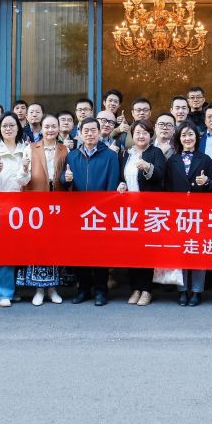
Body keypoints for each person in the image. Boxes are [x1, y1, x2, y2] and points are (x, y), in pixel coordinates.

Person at [61, 117, 121, 306]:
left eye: (93, 130)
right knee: (80, 252)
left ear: (99, 132)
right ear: (79, 133)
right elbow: (65, 181)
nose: (89, 134)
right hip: (78, 212)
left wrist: (108, 209)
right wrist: (65, 178)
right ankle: (83, 289)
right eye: (85, 130)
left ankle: (101, 290)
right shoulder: (72, 156)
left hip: (101, 212)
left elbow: (113, 183)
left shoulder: (110, 155)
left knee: (101, 252)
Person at [0, 113, 32, 307]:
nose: (8, 129)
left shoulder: (25, 149)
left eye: (12, 125)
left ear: (18, 128)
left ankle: (12, 289)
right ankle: (3, 292)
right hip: (0, 205)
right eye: (4, 126)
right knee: (5, 249)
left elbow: (24, 181)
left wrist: (25, 170)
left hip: (21, 204)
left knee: (19, 249)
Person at [164, 121, 212, 307]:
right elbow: (167, 188)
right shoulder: (172, 160)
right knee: (181, 252)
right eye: (184, 135)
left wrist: (206, 181)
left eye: (191, 135)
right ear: (179, 138)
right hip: (178, 214)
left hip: (200, 214)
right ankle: (182, 290)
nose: (187, 138)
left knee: (197, 251)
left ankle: (196, 291)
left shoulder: (206, 159)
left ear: (196, 137)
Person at [116, 119, 167, 307]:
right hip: (129, 211)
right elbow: (122, 177)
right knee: (132, 251)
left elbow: (161, 176)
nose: (141, 136)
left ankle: (146, 289)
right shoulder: (126, 153)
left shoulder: (156, 152)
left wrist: (147, 167)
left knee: (147, 250)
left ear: (150, 135)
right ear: (132, 134)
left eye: (145, 132)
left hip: (148, 210)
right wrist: (121, 185)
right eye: (137, 132)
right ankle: (135, 289)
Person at [21, 114, 69, 306]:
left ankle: (52, 288)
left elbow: (67, 175)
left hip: (58, 204)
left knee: (55, 246)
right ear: (41, 128)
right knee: (38, 246)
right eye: (47, 126)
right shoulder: (31, 148)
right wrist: (24, 169)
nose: (50, 130)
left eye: (53, 126)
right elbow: (23, 179)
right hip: (36, 204)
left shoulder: (64, 149)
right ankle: (39, 289)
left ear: (58, 128)